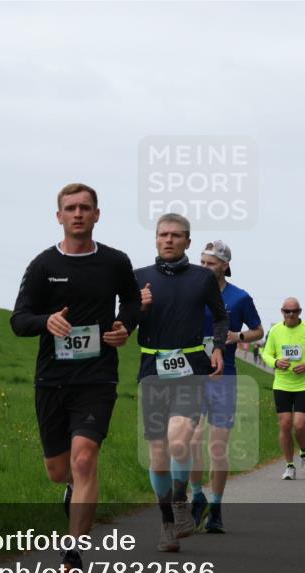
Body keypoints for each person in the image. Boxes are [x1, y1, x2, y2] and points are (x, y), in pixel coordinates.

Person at [10, 183, 141, 573]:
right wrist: (44, 322)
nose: (78, 213)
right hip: (52, 378)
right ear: (59, 217)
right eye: (71, 208)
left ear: (97, 215)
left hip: (97, 376)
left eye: (85, 207)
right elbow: (19, 320)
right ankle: (71, 490)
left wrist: (124, 327)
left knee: (85, 458)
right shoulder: (43, 265)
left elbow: (132, 302)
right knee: (58, 470)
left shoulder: (116, 262)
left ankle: (72, 554)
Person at [135, 213, 228, 552]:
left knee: (178, 441)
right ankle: (167, 523)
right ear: (156, 239)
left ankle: (179, 501)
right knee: (157, 450)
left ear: (188, 241)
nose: (169, 240)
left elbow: (220, 316)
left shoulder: (202, 278)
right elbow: (124, 322)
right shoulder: (139, 278)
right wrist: (138, 308)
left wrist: (218, 347)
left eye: (176, 235)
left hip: (192, 367)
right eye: (163, 235)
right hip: (152, 368)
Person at [186, 240, 264, 533]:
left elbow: (259, 330)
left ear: (225, 266)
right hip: (193, 375)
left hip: (224, 376)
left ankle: (216, 507)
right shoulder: (190, 291)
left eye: (211, 263)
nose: (206, 268)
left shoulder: (239, 297)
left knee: (218, 446)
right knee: (192, 441)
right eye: (203, 262)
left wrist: (238, 337)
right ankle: (197, 498)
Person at [261, 298, 305, 480]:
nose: (291, 315)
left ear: (300, 312)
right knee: (285, 424)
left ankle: (304, 454)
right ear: (282, 312)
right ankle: (289, 465)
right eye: (287, 311)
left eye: (294, 311)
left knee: (299, 425)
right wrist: (275, 362)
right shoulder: (275, 331)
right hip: (282, 384)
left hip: (303, 384)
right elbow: (265, 353)